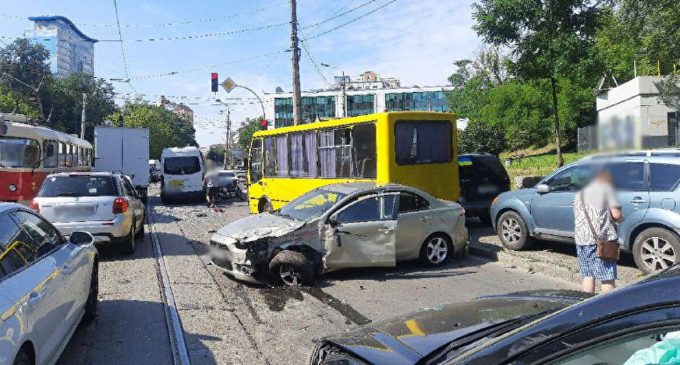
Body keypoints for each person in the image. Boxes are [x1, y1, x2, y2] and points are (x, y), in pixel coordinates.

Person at [573, 167, 623, 294]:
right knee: (607, 277)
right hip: (602, 241)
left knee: (588, 274)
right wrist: (621, 217)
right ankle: (608, 308)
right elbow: (616, 215)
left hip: (582, 240)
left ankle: (587, 304)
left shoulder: (580, 193)